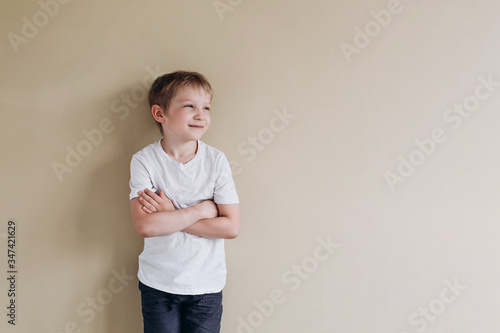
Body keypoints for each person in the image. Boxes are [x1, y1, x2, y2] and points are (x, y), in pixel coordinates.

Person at [129, 71, 240, 333]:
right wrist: (202, 209)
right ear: (160, 114)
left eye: (206, 107)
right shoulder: (144, 161)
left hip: (207, 286)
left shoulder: (216, 161)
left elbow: (231, 227)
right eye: (189, 106)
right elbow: (146, 226)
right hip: (158, 284)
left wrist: (171, 214)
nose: (201, 115)